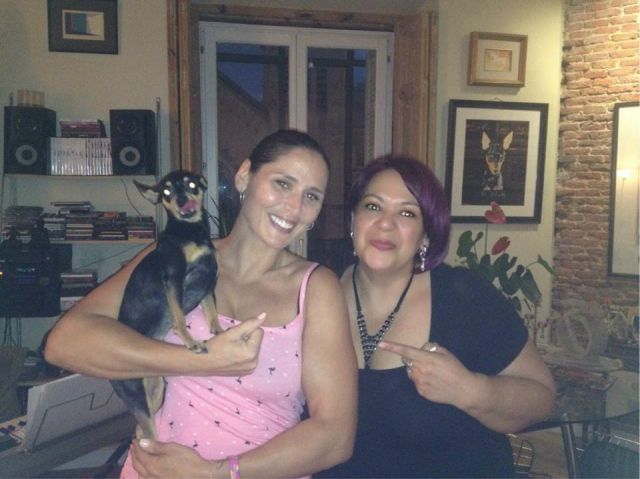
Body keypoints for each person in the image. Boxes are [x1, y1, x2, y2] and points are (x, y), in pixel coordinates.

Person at [44, 129, 358, 479]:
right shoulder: (173, 255)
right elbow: (64, 343)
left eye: (311, 196)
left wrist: (215, 473)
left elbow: (335, 437)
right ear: (244, 176)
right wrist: (204, 359)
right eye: (283, 184)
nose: (294, 207)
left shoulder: (316, 288)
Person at [318, 155, 555, 478]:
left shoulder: (465, 298)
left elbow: (541, 398)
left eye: (407, 213)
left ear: (426, 236)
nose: (385, 223)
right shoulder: (315, 295)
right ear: (352, 221)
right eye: (373, 206)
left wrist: (470, 389)